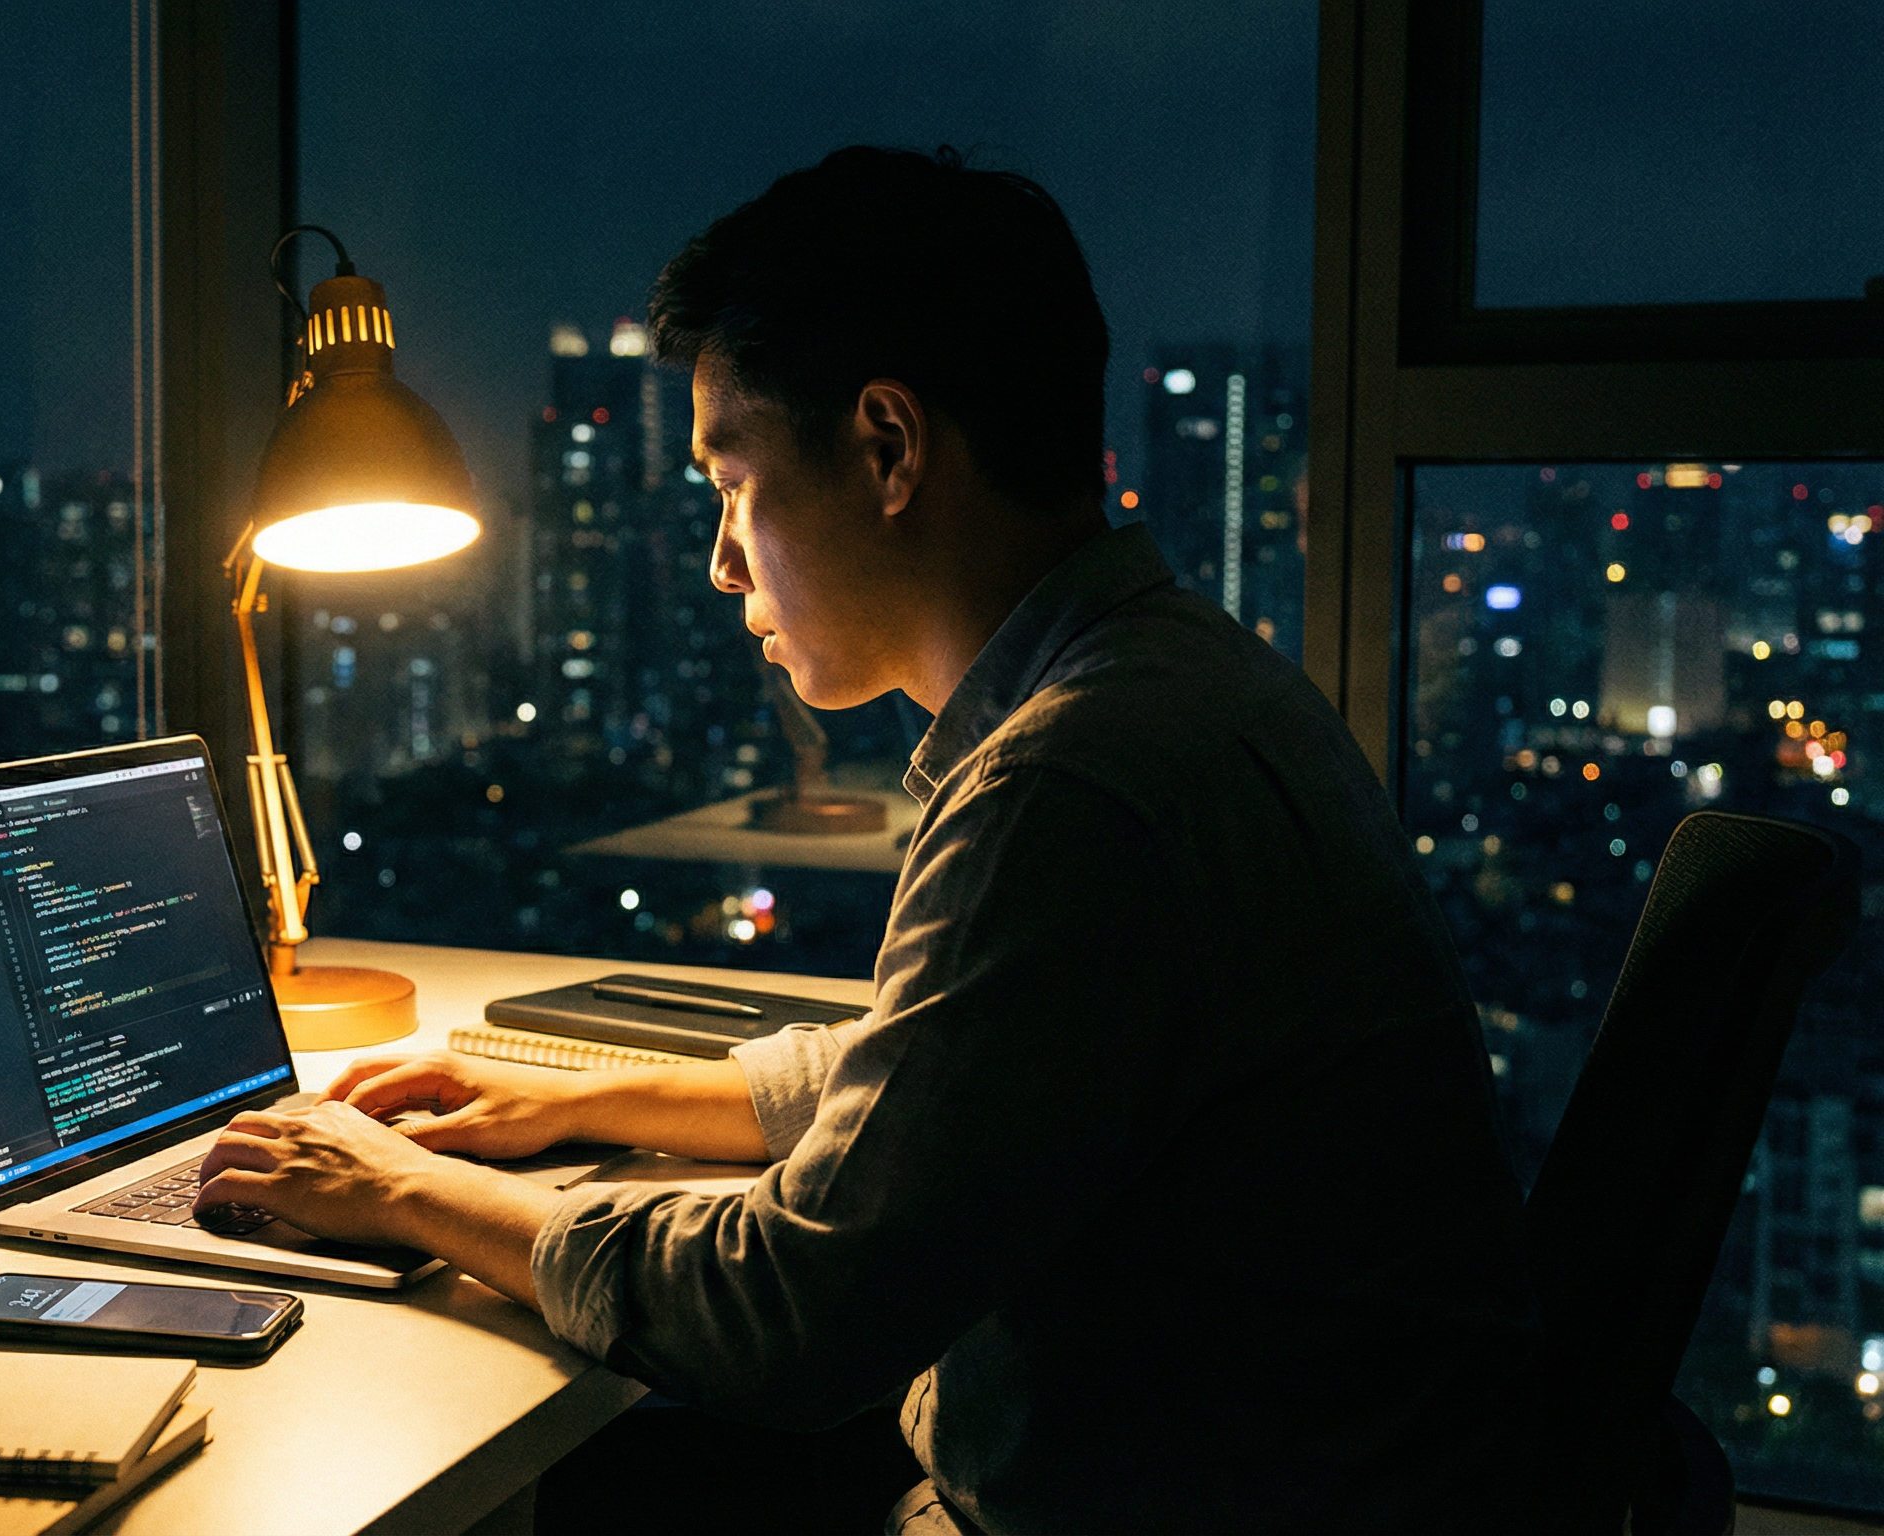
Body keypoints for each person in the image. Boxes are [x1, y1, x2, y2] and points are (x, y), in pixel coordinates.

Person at [193, 145, 1542, 1534]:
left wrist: (405, 1194)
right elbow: (967, 1076)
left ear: (888, 448)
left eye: (731, 482)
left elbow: (790, 1314)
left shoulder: (1075, 783)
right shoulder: (1187, 682)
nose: (723, 561)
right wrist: (585, 1101)